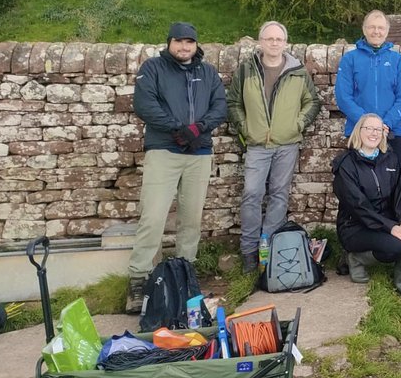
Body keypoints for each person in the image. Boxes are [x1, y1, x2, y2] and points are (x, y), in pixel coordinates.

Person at [125, 22, 228, 313]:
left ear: (196, 45)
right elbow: (145, 104)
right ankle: (138, 278)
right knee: (153, 216)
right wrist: (177, 129)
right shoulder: (153, 68)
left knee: (191, 217)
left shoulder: (207, 72)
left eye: (190, 43)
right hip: (164, 149)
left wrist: (198, 129)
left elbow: (219, 106)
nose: (184, 47)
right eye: (179, 42)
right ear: (169, 42)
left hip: (199, 151)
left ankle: (186, 273)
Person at [227, 21, 322, 272]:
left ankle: (267, 246)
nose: (274, 43)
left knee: (279, 195)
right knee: (251, 194)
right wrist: (245, 128)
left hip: (287, 143)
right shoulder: (246, 70)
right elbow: (234, 102)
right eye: (269, 39)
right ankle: (248, 251)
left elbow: (312, 101)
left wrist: (298, 124)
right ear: (260, 42)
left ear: (285, 43)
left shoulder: (297, 71)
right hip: (257, 144)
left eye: (279, 39)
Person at [331, 113, 401, 296]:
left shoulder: (390, 159)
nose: (374, 133)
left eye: (378, 129)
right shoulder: (346, 164)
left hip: (386, 220)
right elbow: (359, 207)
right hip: (356, 226)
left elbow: (400, 193)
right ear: (359, 131)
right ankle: (356, 258)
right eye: (369, 128)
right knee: (396, 247)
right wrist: (391, 227)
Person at [335, 10, 401, 170]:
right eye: (372, 27)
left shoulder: (397, 61)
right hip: (358, 131)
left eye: (380, 28)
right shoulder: (350, 59)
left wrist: (385, 124)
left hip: (391, 132)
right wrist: (368, 125)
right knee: (358, 184)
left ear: (387, 31)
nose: (376, 31)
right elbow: (343, 97)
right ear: (364, 29)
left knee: (396, 184)